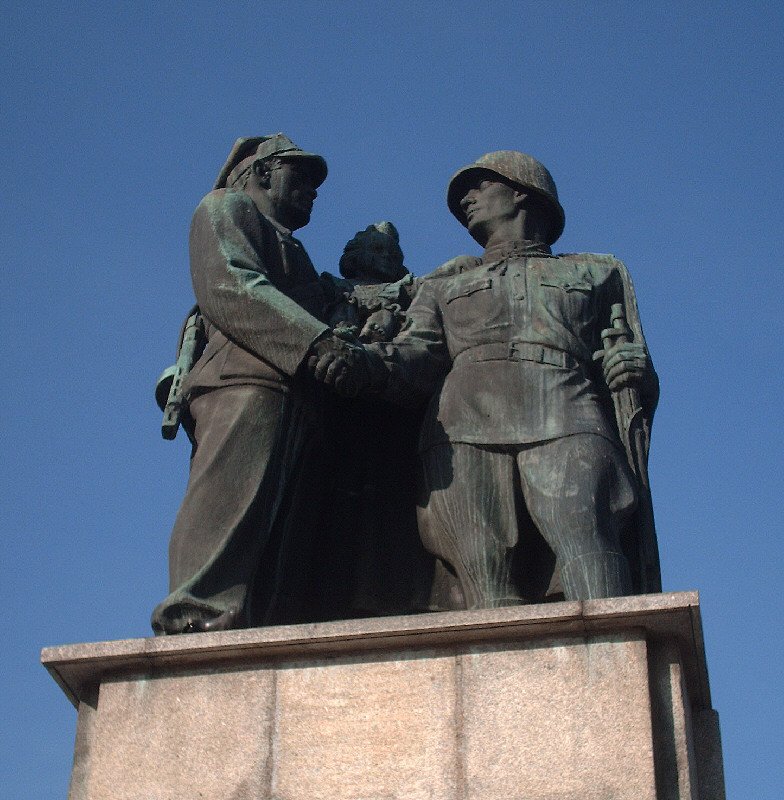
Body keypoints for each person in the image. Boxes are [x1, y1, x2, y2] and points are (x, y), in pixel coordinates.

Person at [312, 151, 660, 608]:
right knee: (483, 573)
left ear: (521, 191)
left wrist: (637, 372)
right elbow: (416, 354)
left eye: (479, 186)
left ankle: (615, 661)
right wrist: (362, 364)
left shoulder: (597, 271)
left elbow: (630, 370)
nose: (467, 200)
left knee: (587, 534)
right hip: (463, 425)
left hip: (567, 408)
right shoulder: (442, 285)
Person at [151, 134, 361, 634]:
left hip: (295, 399)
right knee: (228, 500)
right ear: (262, 172)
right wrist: (317, 343)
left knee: (276, 529)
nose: (312, 189)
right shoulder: (225, 208)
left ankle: (257, 627)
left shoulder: (298, 252)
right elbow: (233, 285)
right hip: (242, 383)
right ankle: (194, 615)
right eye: (300, 175)